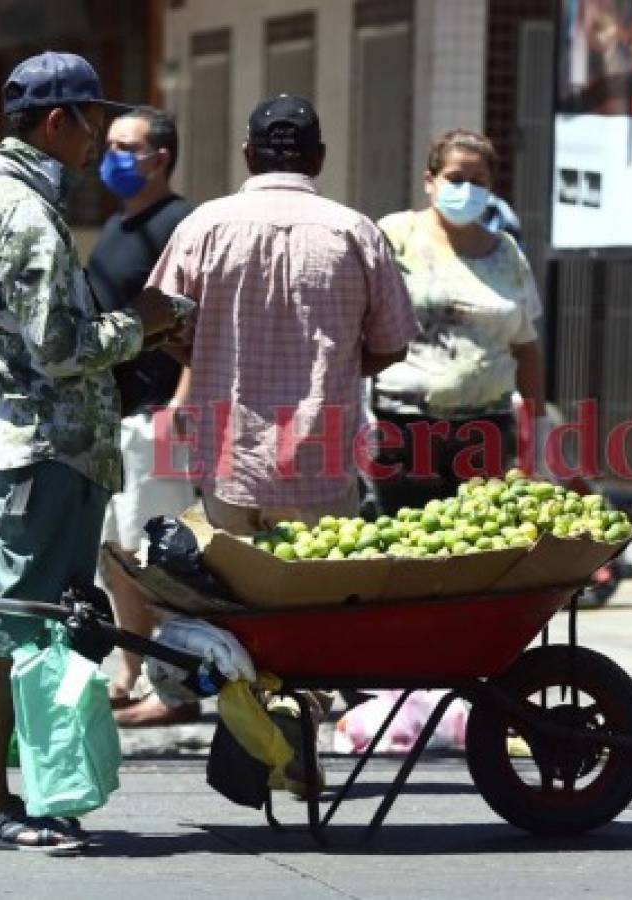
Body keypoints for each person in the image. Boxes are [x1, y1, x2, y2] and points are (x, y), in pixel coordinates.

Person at [146, 95, 418, 792]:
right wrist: (335, 365)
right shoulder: (355, 231)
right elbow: (390, 344)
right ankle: (297, 737)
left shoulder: (204, 225)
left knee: (243, 613)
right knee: (313, 619)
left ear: (247, 156)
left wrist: (207, 356)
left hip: (229, 461)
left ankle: (260, 740)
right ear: (319, 158)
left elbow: (157, 322)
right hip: (323, 464)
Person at [0, 52, 181, 853]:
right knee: (12, 618)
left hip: (50, 442)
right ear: (58, 123)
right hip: (49, 445)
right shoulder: (22, 210)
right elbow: (56, 346)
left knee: (34, 618)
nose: (97, 142)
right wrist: (140, 322)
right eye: (90, 122)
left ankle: (17, 793)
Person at [87, 106, 198, 727]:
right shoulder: (117, 225)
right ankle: (130, 669)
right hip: (112, 419)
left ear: (161, 157)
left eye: (127, 146)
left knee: (161, 555)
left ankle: (177, 687)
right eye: (110, 145)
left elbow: (197, 320)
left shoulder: (178, 223)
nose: (113, 157)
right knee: (115, 553)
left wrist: (182, 404)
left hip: (158, 420)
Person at [370, 128, 550, 512]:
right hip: (406, 428)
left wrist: (538, 430)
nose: (466, 189)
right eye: (455, 178)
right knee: (409, 547)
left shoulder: (507, 254)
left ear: (491, 188)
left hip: (486, 432)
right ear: (429, 181)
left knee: (476, 547)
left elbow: (526, 345)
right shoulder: (394, 235)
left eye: (477, 181)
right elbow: (359, 322)